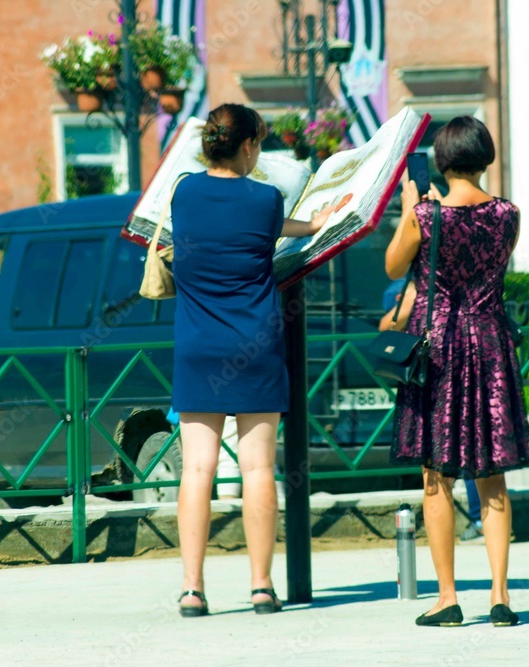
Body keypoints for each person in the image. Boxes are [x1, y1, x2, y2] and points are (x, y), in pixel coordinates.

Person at [171, 103, 342, 617]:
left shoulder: (183, 191)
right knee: (258, 469)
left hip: (198, 347)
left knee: (198, 469)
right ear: (247, 146)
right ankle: (262, 586)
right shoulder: (266, 199)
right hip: (254, 347)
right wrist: (317, 221)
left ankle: (193, 589)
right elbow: (277, 226)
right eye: (259, 145)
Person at [386, 116, 529, 628]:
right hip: (490, 343)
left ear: (442, 162)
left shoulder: (425, 216)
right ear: (485, 155)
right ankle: (500, 595)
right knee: (491, 475)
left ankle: (447, 596)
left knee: (436, 476)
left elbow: (391, 266)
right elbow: (488, 268)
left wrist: (410, 208)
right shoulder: (508, 214)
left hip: (440, 349)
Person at [379, 280, 484, 541]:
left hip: (436, 381)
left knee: (436, 474)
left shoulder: (419, 286)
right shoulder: (478, 278)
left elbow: (387, 326)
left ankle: (447, 580)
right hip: (477, 368)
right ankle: (480, 520)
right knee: (476, 452)